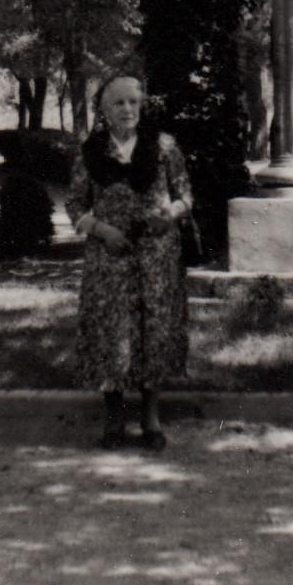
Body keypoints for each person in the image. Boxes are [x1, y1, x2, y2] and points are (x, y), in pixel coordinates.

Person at [65, 73, 193, 451]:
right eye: (118, 103)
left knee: (153, 330)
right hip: (110, 258)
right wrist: (103, 231)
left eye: (133, 102)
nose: (127, 109)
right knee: (112, 333)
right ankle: (113, 418)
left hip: (156, 256)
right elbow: (74, 204)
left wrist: (169, 214)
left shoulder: (165, 147)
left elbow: (186, 195)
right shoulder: (91, 153)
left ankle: (151, 417)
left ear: (142, 106)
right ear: (104, 111)